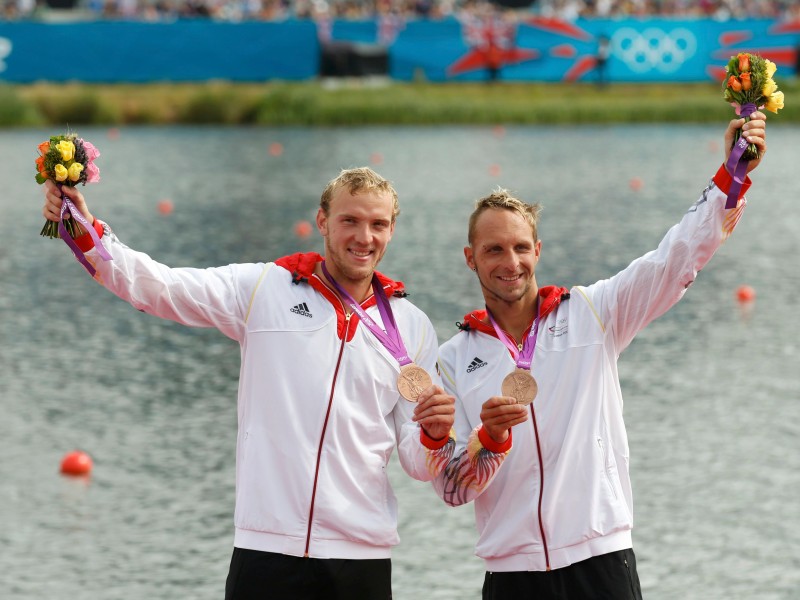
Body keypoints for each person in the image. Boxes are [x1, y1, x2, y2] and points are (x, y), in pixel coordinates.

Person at [40, 166, 456, 600]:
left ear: (392, 229)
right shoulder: (264, 288)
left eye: (377, 224)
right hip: (266, 551)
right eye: (349, 220)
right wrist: (83, 227)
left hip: (362, 559)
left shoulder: (413, 327)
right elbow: (157, 287)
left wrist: (434, 433)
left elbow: (417, 464)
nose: (363, 237)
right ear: (322, 222)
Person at [431, 113, 768, 598]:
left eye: (521, 247)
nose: (511, 262)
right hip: (512, 574)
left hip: (601, 560)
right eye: (494, 250)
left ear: (539, 251)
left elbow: (673, 258)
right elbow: (452, 489)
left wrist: (732, 175)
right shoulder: (452, 359)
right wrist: (492, 437)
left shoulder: (594, 312)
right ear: (470, 258)